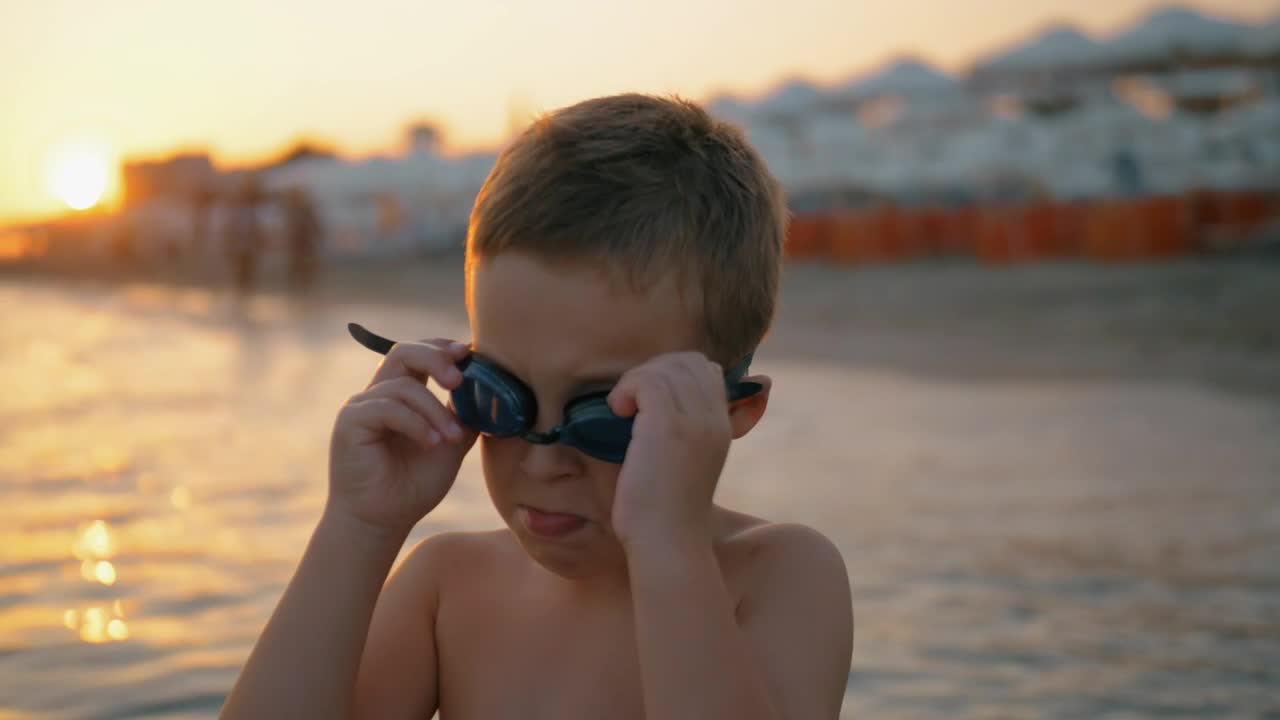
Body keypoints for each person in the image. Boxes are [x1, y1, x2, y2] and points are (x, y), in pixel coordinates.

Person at [220, 94, 854, 720]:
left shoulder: (779, 575)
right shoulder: (447, 587)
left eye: (610, 418)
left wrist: (668, 542)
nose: (544, 463)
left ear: (733, 414)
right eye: (497, 399)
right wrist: (358, 527)